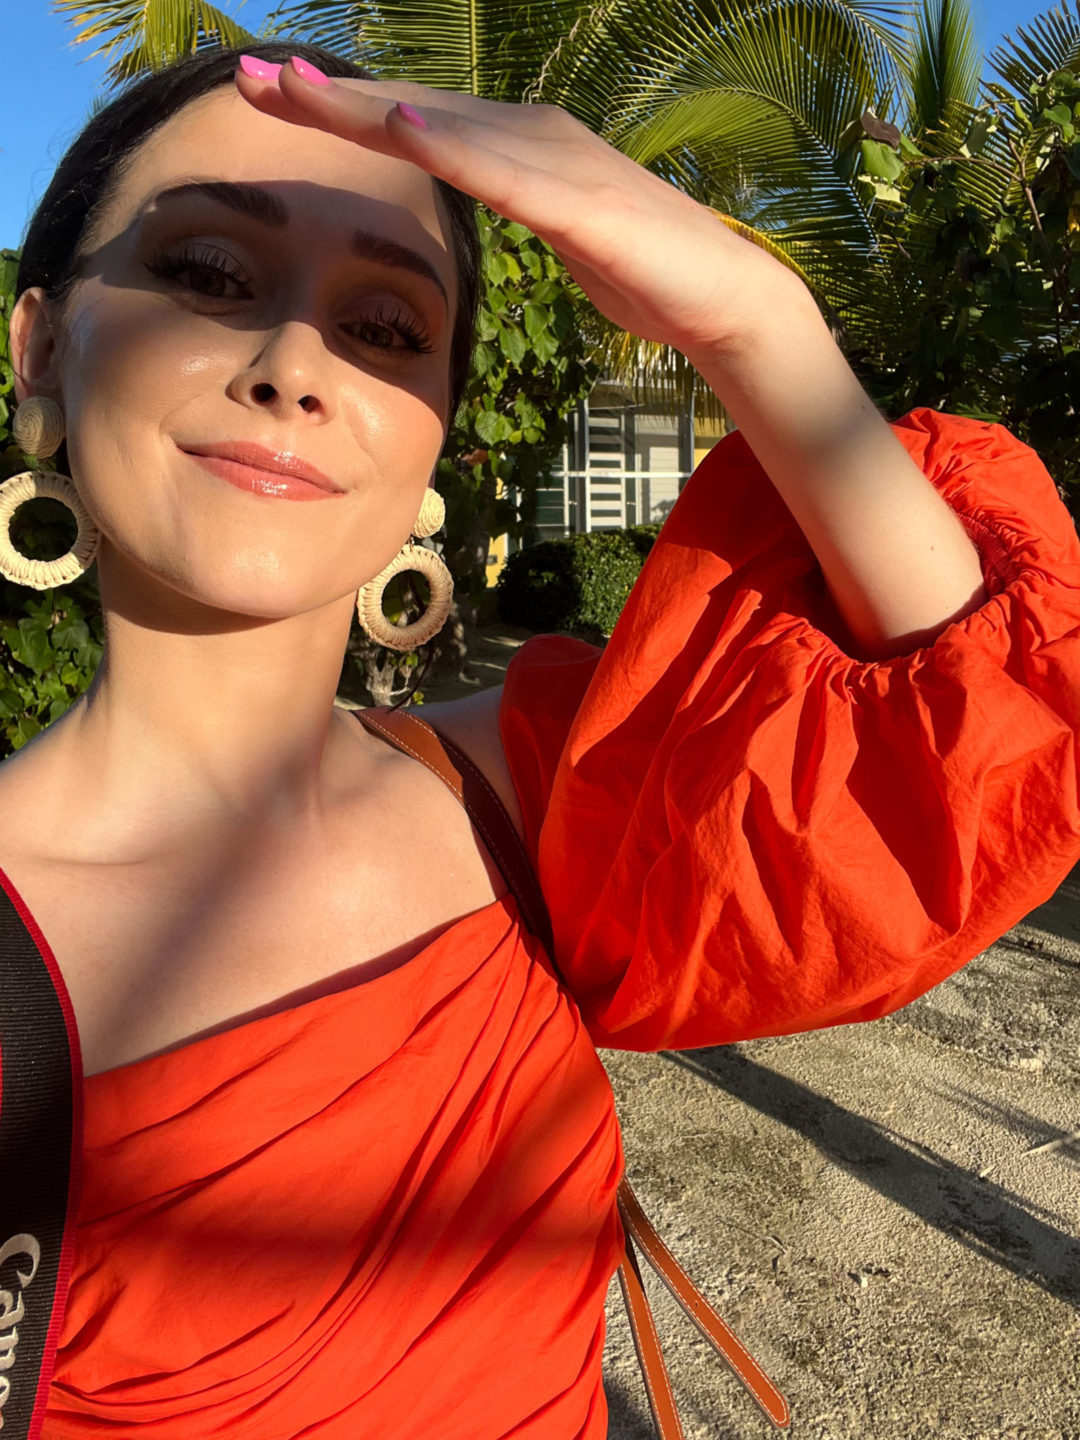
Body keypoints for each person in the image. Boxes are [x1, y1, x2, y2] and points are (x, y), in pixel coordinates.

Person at [1, 37, 1077, 1439]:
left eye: (387, 327)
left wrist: (759, 323)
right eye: (208, 274)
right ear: (39, 349)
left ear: (435, 423)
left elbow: (972, 729)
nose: (293, 367)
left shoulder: (531, 783)